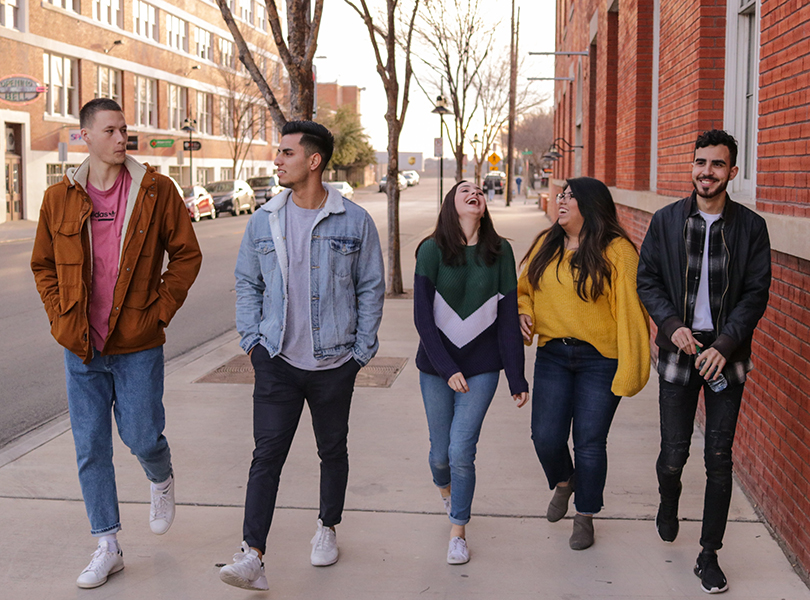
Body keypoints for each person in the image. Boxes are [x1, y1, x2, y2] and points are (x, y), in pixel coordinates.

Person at [30, 98, 202, 589]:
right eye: (110, 130)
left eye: (124, 129)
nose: (121, 137)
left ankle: (160, 476)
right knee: (90, 446)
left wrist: (160, 310)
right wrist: (60, 314)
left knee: (142, 435)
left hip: (137, 343)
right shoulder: (59, 197)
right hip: (81, 345)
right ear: (85, 136)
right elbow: (44, 265)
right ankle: (107, 544)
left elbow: (186, 256)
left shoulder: (155, 190)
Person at [220, 120, 385, 590]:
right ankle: (252, 555)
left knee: (331, 450)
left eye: (286, 153)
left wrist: (360, 353)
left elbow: (371, 287)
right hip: (276, 360)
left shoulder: (354, 221)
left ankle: (327, 528)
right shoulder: (263, 218)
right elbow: (248, 283)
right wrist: (252, 343)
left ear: (313, 161)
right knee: (266, 455)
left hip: (335, 363)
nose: (277, 160)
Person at [637, 130, 770, 594]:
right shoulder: (667, 221)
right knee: (673, 455)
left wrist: (726, 344)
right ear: (691, 166)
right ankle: (667, 501)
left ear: (731, 172)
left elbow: (755, 294)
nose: (705, 172)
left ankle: (708, 554)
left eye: (716, 165)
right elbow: (647, 280)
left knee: (719, 458)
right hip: (679, 349)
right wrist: (671, 324)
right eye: (700, 162)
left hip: (725, 356)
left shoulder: (751, 227)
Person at [518, 176, 650, 551]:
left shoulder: (617, 251)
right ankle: (564, 482)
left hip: (600, 360)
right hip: (553, 354)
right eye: (561, 194)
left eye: (570, 197)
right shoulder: (546, 244)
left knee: (590, 443)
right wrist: (523, 312)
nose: (561, 201)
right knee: (545, 436)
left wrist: (631, 368)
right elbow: (524, 290)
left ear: (590, 205)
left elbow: (631, 313)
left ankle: (586, 515)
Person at [414, 181, 529, 565]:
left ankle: (458, 530)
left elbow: (509, 319)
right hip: (436, 367)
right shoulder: (430, 250)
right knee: (439, 455)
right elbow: (423, 320)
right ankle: (447, 491)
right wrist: (447, 369)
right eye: (464, 189)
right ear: (452, 203)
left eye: (479, 190)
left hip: (482, 368)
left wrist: (516, 376)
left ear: (484, 206)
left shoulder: (501, 252)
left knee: (462, 450)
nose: (474, 192)